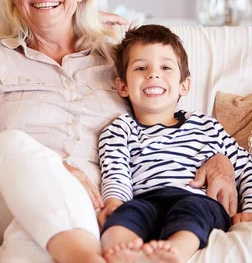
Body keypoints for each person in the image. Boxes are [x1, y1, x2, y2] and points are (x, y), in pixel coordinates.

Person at [0, 0, 239, 262]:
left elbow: (167, 119)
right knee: (13, 143)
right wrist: (53, 168)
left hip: (88, 210)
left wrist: (220, 158)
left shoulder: (118, 54)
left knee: (32, 243)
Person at [97, 24, 252, 263]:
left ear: (184, 85)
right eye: (141, 67)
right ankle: (120, 250)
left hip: (196, 199)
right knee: (126, 214)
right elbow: (115, 172)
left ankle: (175, 251)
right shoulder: (120, 128)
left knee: (193, 210)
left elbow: (244, 167)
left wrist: (249, 209)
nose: (153, 74)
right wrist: (114, 203)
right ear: (122, 86)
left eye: (166, 67)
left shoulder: (206, 126)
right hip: (146, 199)